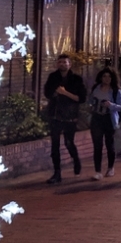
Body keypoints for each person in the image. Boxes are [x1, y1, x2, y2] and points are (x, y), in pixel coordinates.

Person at [43, 54, 87, 184]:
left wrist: (65, 93)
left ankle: (76, 159)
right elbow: (47, 93)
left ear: (70, 64)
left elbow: (81, 98)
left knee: (69, 143)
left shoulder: (76, 79)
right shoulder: (53, 77)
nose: (62, 64)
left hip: (70, 116)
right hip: (55, 115)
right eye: (60, 62)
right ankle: (57, 173)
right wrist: (56, 93)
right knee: (54, 145)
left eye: (65, 62)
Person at [88, 68, 121, 180]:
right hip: (97, 118)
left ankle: (110, 167)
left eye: (109, 76)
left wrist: (110, 105)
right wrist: (92, 105)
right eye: (104, 76)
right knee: (97, 145)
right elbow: (90, 101)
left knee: (110, 144)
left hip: (109, 119)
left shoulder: (116, 91)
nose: (106, 79)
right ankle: (98, 171)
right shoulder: (96, 88)